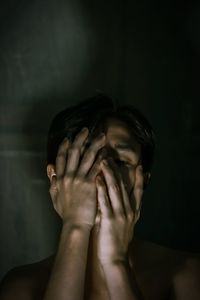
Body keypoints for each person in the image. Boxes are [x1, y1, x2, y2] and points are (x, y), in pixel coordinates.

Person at [0, 94, 200, 300]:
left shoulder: (187, 276)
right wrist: (75, 226)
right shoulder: (22, 287)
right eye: (87, 159)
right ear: (55, 177)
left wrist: (115, 261)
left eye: (120, 162)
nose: (102, 174)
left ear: (143, 179)